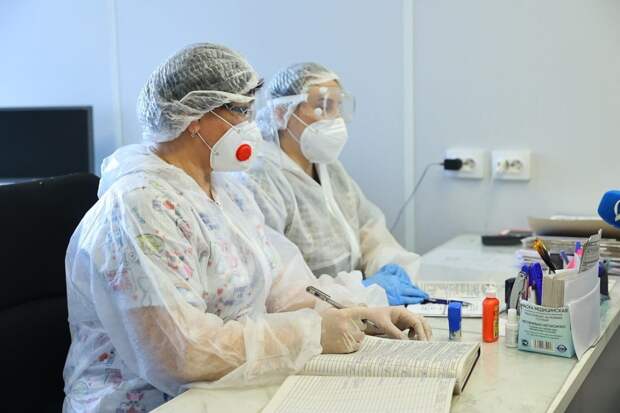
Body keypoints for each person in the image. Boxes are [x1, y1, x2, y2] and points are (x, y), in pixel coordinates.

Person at [62, 44, 431, 413]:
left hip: (226, 388)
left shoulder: (227, 193)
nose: (251, 125)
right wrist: (314, 332)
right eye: (239, 110)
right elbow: (182, 353)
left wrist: (360, 313)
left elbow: (284, 290)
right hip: (153, 402)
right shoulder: (140, 206)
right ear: (193, 116)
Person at [242, 62, 428, 306]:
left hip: (358, 306)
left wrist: (390, 266)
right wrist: (357, 291)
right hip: (309, 315)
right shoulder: (261, 178)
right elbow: (280, 284)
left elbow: (369, 228)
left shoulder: (329, 168)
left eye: (338, 106)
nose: (336, 118)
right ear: (280, 113)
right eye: (323, 106)